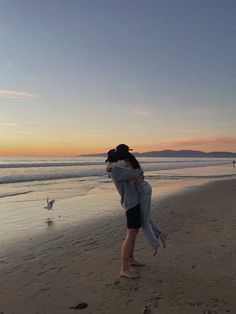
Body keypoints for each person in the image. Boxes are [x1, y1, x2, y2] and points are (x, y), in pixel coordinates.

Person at [111, 145, 167, 255]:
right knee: (147, 216)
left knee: (144, 220)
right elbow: (134, 173)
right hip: (143, 189)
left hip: (143, 190)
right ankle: (161, 234)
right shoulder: (130, 161)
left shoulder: (125, 164)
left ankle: (155, 244)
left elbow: (126, 174)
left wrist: (110, 169)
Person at [106, 144, 144, 279]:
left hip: (135, 201)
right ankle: (124, 268)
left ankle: (131, 259)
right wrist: (137, 167)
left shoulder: (119, 166)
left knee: (134, 233)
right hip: (131, 203)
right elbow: (136, 172)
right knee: (130, 235)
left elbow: (137, 173)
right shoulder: (116, 169)